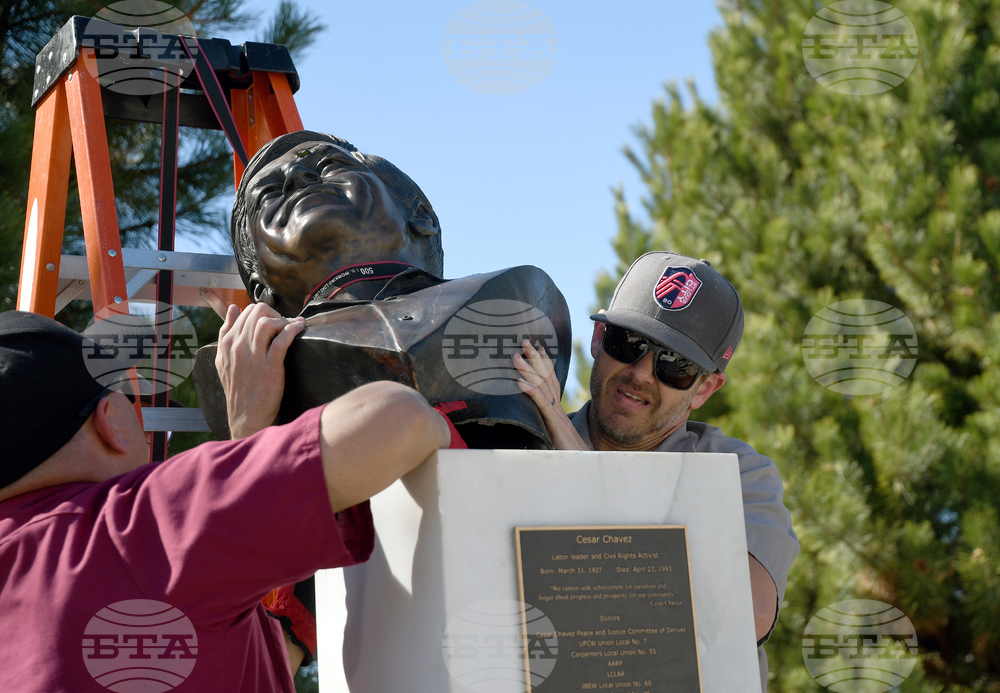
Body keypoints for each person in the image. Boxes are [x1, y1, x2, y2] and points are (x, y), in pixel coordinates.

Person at [0, 305, 451, 692]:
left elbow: (232, 651)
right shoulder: (132, 529)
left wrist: (251, 438)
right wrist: (243, 450)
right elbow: (397, 418)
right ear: (110, 422)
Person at [513, 251, 799, 692]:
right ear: (597, 338)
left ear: (707, 387)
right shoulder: (522, 445)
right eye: (628, 344)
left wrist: (576, 467)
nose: (641, 373)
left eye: (675, 366)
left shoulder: (738, 473)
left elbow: (745, 613)